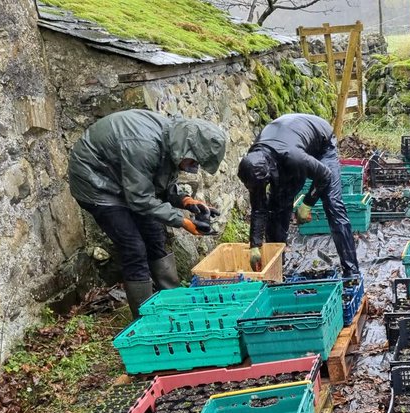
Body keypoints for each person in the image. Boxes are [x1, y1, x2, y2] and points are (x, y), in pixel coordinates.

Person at [68, 110, 225, 317]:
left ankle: (173, 302)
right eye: (194, 162)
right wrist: (182, 222)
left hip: (126, 183)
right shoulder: (145, 146)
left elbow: (157, 180)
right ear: (187, 147)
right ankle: (145, 319)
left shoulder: (173, 140)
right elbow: (140, 199)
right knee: (133, 247)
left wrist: (185, 201)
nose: (193, 168)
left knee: (154, 234)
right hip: (96, 183)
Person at [237, 113, 359, 277]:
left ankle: (352, 272)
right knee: (276, 208)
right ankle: (277, 272)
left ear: (268, 174)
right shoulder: (254, 164)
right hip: (288, 145)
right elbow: (259, 208)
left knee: (332, 204)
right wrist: (255, 245)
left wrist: (307, 204)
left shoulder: (293, 157)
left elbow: (325, 175)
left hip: (321, 145)